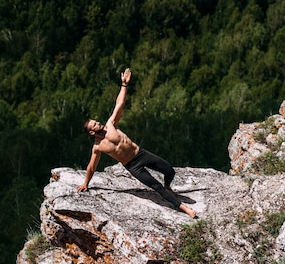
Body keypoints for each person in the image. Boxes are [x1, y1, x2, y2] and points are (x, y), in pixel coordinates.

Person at [78, 68, 197, 218]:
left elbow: (119, 104)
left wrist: (124, 85)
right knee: (156, 187)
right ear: (91, 132)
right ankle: (185, 209)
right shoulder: (98, 147)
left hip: (141, 154)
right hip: (132, 166)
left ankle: (168, 186)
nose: (98, 123)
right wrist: (85, 184)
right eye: (94, 125)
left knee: (169, 171)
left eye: (96, 122)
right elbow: (91, 166)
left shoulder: (111, 124)